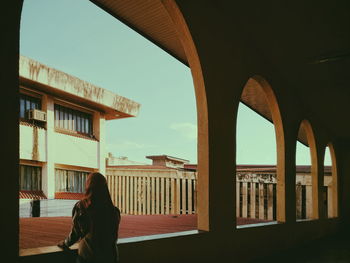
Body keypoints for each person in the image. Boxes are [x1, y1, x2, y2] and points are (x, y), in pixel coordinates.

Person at [58, 172, 121, 263]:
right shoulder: (114, 211)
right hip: (110, 256)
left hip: (88, 256)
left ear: (88, 186)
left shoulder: (81, 207)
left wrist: (65, 243)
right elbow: (114, 236)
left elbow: (75, 234)